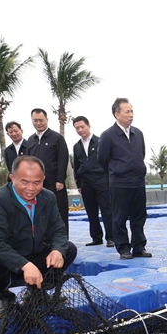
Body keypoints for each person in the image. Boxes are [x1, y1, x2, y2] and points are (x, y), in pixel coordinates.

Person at [0, 155, 78, 318]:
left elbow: (58, 229)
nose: (30, 188)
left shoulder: (48, 197)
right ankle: (3, 297)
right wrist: (24, 265)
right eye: (24, 182)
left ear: (43, 179)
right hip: (7, 261)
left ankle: (37, 292)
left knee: (68, 249)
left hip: (34, 254)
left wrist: (57, 249)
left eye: (37, 182)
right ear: (12, 178)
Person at [97, 99, 151, 260]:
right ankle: (123, 248)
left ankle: (139, 246)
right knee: (119, 218)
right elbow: (102, 159)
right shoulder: (108, 135)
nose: (131, 115)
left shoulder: (138, 133)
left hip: (138, 182)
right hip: (119, 183)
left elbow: (141, 154)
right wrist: (118, 171)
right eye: (127, 112)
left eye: (132, 111)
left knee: (139, 216)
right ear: (117, 114)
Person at [72, 116, 114, 248]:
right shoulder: (76, 146)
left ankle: (111, 237)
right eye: (77, 128)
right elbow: (76, 165)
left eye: (82, 127)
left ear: (88, 126)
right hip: (86, 183)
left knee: (107, 210)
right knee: (91, 211)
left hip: (102, 181)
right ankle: (96, 237)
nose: (80, 130)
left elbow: (108, 161)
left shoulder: (100, 141)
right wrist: (79, 184)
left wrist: (109, 180)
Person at [27, 108, 70, 237]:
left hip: (54, 183)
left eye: (41, 120)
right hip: (37, 184)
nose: (38, 123)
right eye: (35, 120)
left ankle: (63, 241)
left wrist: (60, 180)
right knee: (40, 213)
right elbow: (28, 162)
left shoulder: (57, 138)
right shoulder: (30, 140)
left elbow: (63, 159)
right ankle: (43, 241)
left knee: (60, 212)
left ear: (47, 120)